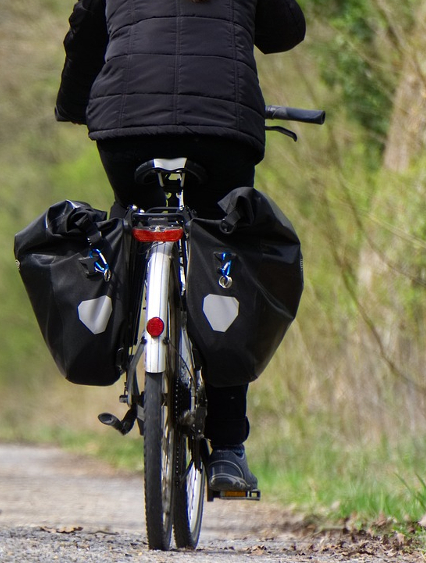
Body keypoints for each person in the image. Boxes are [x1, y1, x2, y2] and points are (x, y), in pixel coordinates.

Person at [55, 0, 305, 492]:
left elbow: (84, 33)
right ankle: (229, 450)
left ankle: (134, 341)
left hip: (126, 125)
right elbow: (283, 32)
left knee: (130, 224)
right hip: (223, 129)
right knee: (228, 252)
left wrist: (73, 103)